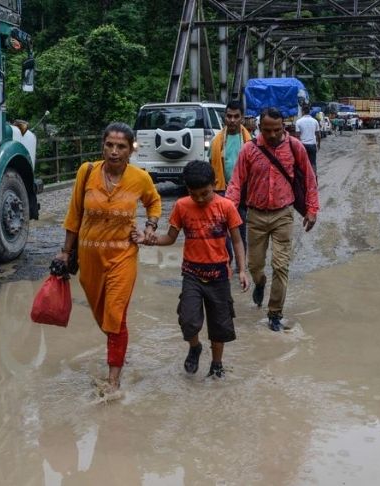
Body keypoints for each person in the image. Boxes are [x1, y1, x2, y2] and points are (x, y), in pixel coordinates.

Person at [55, 122, 162, 395]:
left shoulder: (140, 178)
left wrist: (150, 227)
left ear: (130, 150)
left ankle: (113, 380)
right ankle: (119, 347)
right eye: (110, 145)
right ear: (103, 145)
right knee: (104, 318)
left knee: (115, 315)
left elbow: (154, 201)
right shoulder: (87, 172)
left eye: (121, 147)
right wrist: (65, 252)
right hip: (90, 256)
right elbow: (74, 214)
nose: (114, 151)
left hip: (123, 255)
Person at [134, 161, 248, 377]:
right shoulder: (182, 206)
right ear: (188, 190)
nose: (201, 199)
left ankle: (216, 365)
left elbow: (237, 241)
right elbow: (170, 238)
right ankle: (195, 347)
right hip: (192, 274)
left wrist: (242, 270)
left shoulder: (226, 207)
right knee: (188, 320)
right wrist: (147, 240)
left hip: (219, 275)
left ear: (214, 185)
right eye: (195, 194)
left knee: (219, 324)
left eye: (205, 193)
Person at [226, 107, 320, 332]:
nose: (272, 135)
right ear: (259, 127)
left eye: (277, 130)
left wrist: (312, 209)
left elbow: (309, 179)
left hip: (283, 214)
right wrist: (226, 210)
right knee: (255, 265)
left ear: (284, 127)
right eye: (267, 130)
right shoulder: (249, 150)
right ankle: (260, 283)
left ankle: (275, 313)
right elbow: (236, 183)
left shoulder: (294, 147)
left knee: (280, 266)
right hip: (255, 215)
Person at [210, 100, 252, 266]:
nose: (232, 120)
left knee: (240, 229)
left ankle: (240, 267)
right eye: (229, 116)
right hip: (221, 190)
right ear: (224, 118)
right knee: (221, 230)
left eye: (236, 116)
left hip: (243, 192)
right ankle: (227, 261)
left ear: (242, 118)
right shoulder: (216, 141)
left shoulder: (250, 142)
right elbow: (210, 167)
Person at [295, 104, 321, 174]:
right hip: (312, 145)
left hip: (302, 146)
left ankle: (303, 178)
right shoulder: (315, 121)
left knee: (301, 163)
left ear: (302, 111)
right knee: (313, 163)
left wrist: (297, 148)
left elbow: (297, 136)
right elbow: (318, 135)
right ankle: (314, 178)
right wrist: (318, 145)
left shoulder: (298, 122)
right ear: (309, 111)